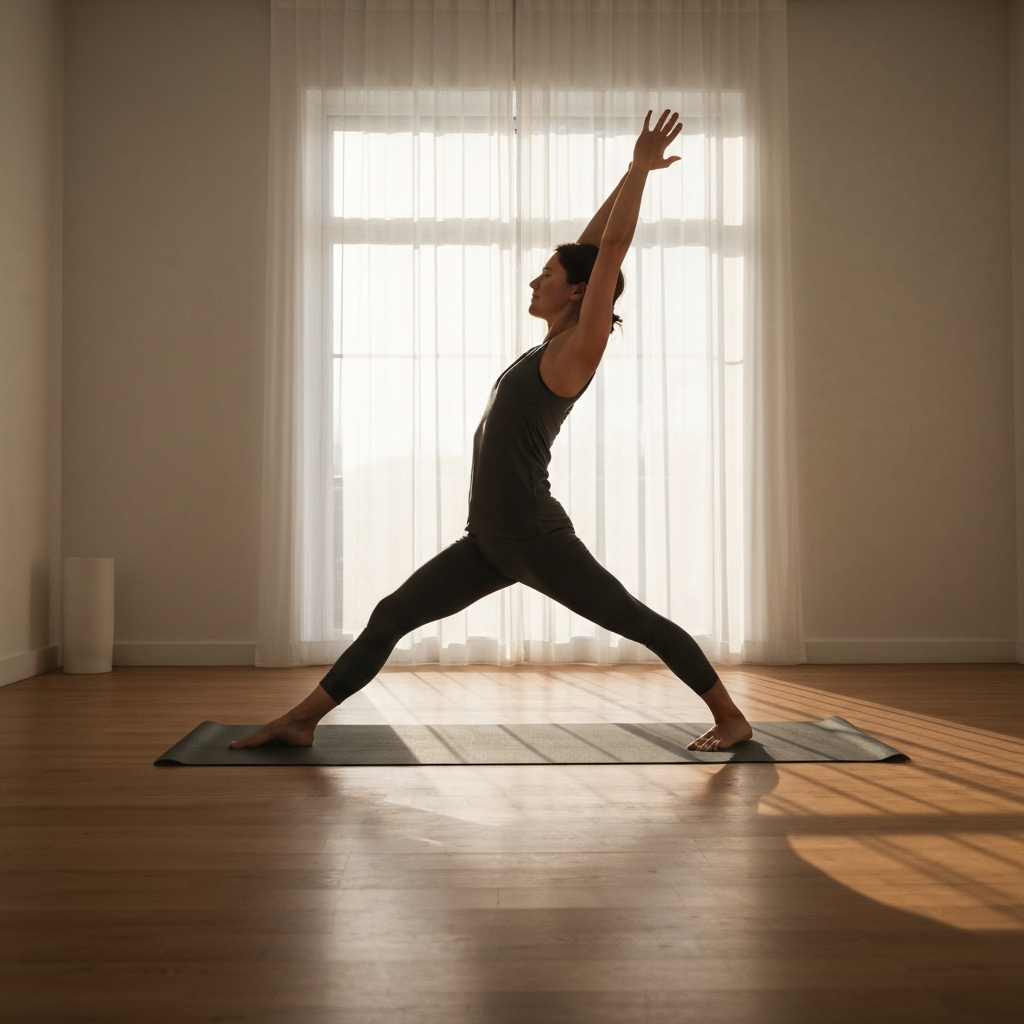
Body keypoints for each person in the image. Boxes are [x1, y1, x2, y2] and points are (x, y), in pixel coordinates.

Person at [232, 110, 752, 754]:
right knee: (392, 615)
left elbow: (608, 253)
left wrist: (643, 172)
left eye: (548, 276)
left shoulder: (576, 352)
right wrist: (626, 171)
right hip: (491, 539)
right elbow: (592, 250)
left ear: (578, 294)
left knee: (636, 622)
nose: (536, 280)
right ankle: (301, 719)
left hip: (533, 536)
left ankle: (731, 717)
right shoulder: (549, 344)